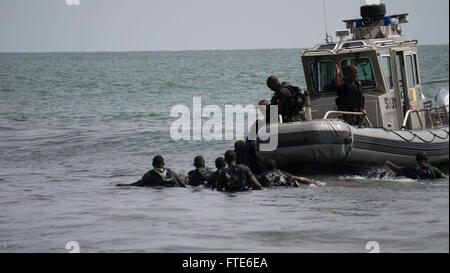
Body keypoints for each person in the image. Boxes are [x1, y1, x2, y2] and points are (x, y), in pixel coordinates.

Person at [116, 155, 186, 187]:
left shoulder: (149, 174)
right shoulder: (171, 172)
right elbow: (182, 185)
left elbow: (138, 184)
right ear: (164, 164)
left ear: (152, 164)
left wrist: (123, 185)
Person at [385, 152, 449, 180]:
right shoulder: (434, 169)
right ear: (426, 159)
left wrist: (390, 164)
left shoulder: (411, 168)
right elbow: (446, 178)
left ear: (416, 159)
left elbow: (398, 170)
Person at [257, 159, 321, 187]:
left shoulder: (262, 176)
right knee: (293, 182)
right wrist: (314, 182)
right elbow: (300, 179)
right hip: (285, 187)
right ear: (275, 166)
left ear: (264, 168)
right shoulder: (283, 173)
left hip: (272, 187)